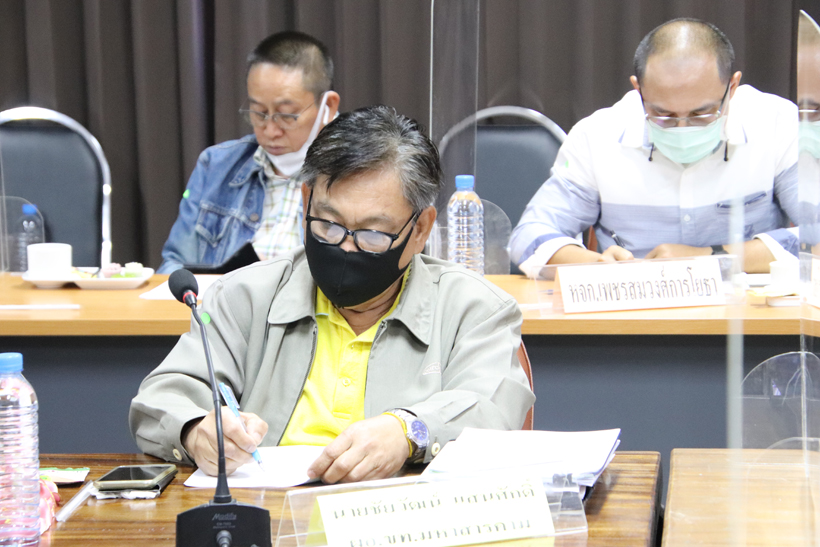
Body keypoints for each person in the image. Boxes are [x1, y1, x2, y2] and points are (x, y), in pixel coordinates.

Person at [130, 105, 534, 484]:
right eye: (328, 225)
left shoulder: (475, 309)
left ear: (421, 230)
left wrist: (407, 431)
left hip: (404, 518)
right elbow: (161, 399)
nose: (346, 247)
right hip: (268, 515)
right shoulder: (244, 297)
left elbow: (493, 409)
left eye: (373, 234)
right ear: (306, 202)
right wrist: (195, 430)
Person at [510, 18, 798, 277]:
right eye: (663, 114)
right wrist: (595, 265)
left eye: (702, 114)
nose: (683, 129)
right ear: (639, 90)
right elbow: (529, 235)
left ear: (732, 88)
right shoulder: (596, 136)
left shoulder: (776, 124)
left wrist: (714, 258)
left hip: (749, 310)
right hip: (633, 308)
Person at [157, 31, 340, 274]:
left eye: (286, 115)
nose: (270, 130)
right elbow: (173, 265)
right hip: (222, 298)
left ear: (328, 106)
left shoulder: (359, 170)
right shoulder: (216, 165)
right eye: (259, 113)